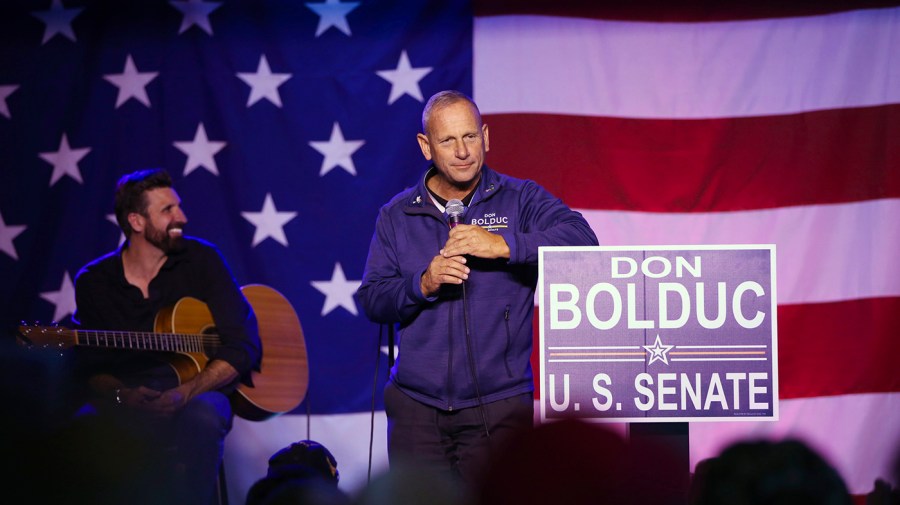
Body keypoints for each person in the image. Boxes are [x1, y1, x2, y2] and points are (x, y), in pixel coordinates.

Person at [358, 90, 599, 486]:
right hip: (417, 410)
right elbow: (373, 300)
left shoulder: (520, 199)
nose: (462, 151)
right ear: (425, 146)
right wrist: (423, 283)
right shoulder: (397, 215)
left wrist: (504, 246)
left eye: (470, 137)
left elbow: (583, 240)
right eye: (448, 140)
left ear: (486, 137)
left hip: (499, 407)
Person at [71, 168, 262, 504]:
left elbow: (242, 343)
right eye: (168, 210)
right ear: (136, 221)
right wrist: (121, 395)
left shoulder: (202, 259)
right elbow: (90, 366)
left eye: (178, 207)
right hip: (129, 394)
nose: (182, 217)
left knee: (204, 416)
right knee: (84, 426)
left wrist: (185, 392)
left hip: (199, 389)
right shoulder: (95, 281)